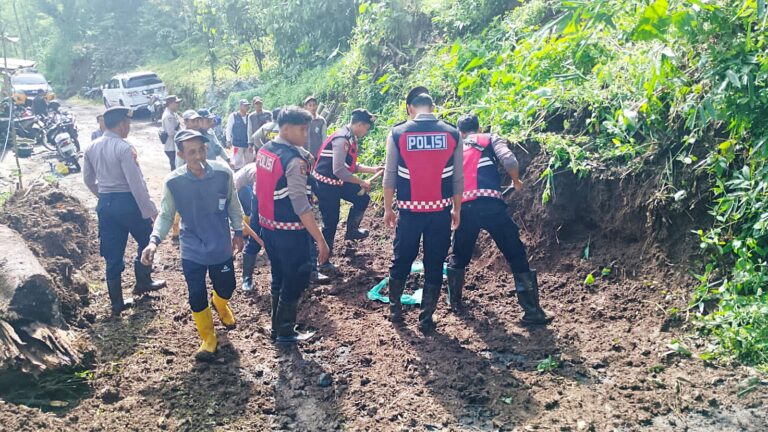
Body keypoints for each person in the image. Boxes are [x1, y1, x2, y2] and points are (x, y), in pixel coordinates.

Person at [141, 129, 252, 361]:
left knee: (227, 287)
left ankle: (220, 304)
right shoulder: (174, 182)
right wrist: (153, 241)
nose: (198, 156)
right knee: (196, 293)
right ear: (181, 155)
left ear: (207, 149)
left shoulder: (223, 173)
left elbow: (233, 204)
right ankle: (209, 339)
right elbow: (166, 215)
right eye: (192, 152)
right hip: (192, 248)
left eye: (201, 150)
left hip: (220, 245)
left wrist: (238, 232)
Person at [447, 114, 551, 324]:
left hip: (465, 207)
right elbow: (509, 160)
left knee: (459, 256)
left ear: (460, 132)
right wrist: (516, 180)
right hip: (491, 205)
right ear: (479, 128)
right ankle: (532, 312)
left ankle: (455, 304)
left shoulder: (454, 147)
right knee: (515, 254)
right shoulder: (489, 138)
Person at [382, 87, 463, 333]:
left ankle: (395, 311)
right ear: (433, 108)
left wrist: (388, 208)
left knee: (402, 258)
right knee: (434, 262)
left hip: (409, 212)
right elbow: (458, 178)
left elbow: (389, 175)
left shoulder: (398, 133)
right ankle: (426, 318)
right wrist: (456, 209)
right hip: (440, 212)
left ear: (410, 109)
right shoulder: (452, 133)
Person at [255, 106, 330, 343]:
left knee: (279, 276)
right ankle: (285, 331)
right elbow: (301, 205)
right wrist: (320, 239)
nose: (306, 134)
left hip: (268, 226)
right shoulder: (294, 162)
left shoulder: (266, 150)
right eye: (302, 130)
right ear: (286, 129)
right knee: (297, 276)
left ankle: (277, 327)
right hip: (289, 230)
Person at [82, 106, 167, 316]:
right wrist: (151, 211)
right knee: (147, 240)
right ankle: (143, 281)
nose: (128, 127)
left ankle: (117, 303)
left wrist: (103, 196)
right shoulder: (124, 148)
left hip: (106, 204)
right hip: (128, 203)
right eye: (128, 123)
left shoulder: (91, 147)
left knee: (112, 254)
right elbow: (136, 184)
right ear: (121, 124)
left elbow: (88, 180)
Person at [312, 108, 380, 271]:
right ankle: (323, 261)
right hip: (326, 184)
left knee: (362, 198)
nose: (366, 132)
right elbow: (339, 170)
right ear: (360, 124)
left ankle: (352, 231)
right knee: (331, 221)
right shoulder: (342, 139)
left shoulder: (350, 137)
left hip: (338, 182)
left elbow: (349, 166)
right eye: (366, 128)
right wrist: (361, 182)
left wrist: (372, 170)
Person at [227, 99, 253, 169]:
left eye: (247, 106)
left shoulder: (249, 116)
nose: (247, 107)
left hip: (248, 144)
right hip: (237, 144)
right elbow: (229, 128)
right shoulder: (233, 116)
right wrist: (228, 140)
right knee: (237, 163)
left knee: (249, 163)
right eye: (245, 105)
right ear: (240, 106)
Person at [161, 95, 182, 170]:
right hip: (171, 147)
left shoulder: (172, 113)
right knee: (175, 168)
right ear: (170, 103)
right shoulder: (168, 116)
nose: (178, 105)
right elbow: (171, 133)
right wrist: (183, 135)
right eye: (176, 103)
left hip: (174, 146)